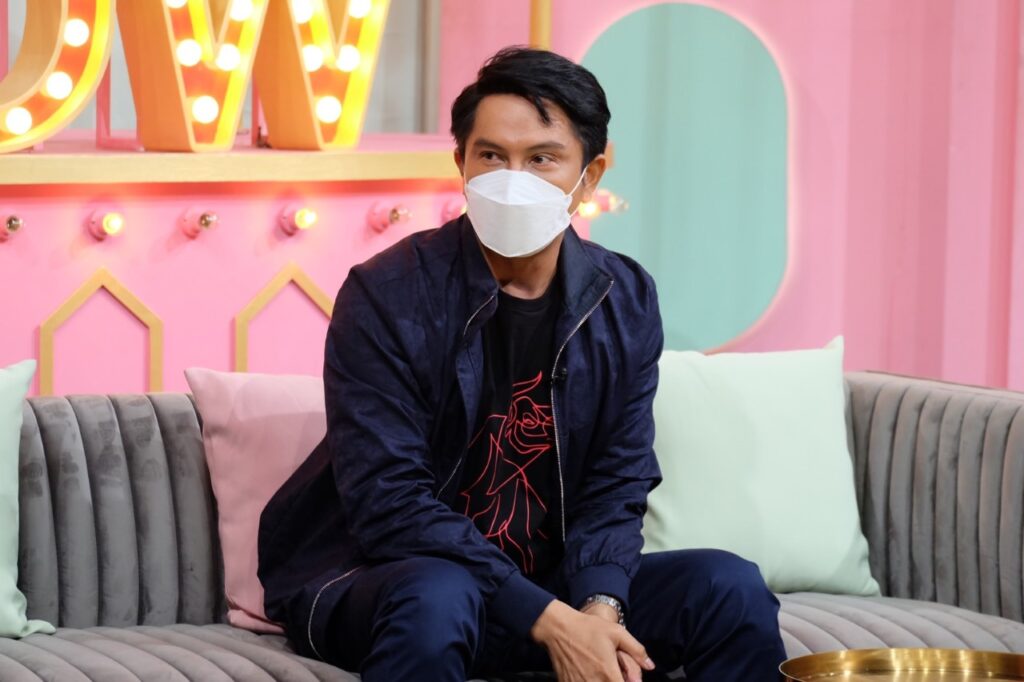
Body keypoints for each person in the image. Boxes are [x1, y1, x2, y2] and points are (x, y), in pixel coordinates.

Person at [257, 46, 786, 682]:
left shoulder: (624, 298)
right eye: (491, 156)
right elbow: (389, 504)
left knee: (728, 588)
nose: (513, 179)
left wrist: (600, 609)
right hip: (386, 580)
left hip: (546, 587)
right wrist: (548, 619)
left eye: (541, 159)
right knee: (439, 596)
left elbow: (617, 481)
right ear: (460, 163)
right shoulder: (387, 293)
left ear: (590, 175)